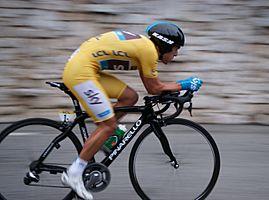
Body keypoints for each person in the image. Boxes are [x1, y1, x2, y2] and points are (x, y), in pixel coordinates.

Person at [61, 22, 203, 200]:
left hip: (87, 67)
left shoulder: (147, 48)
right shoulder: (149, 51)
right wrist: (184, 84)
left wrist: (174, 88)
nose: (176, 53)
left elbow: (154, 87)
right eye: (175, 48)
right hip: (80, 72)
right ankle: (74, 173)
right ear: (165, 43)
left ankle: (105, 139)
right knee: (109, 125)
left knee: (129, 97)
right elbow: (154, 88)